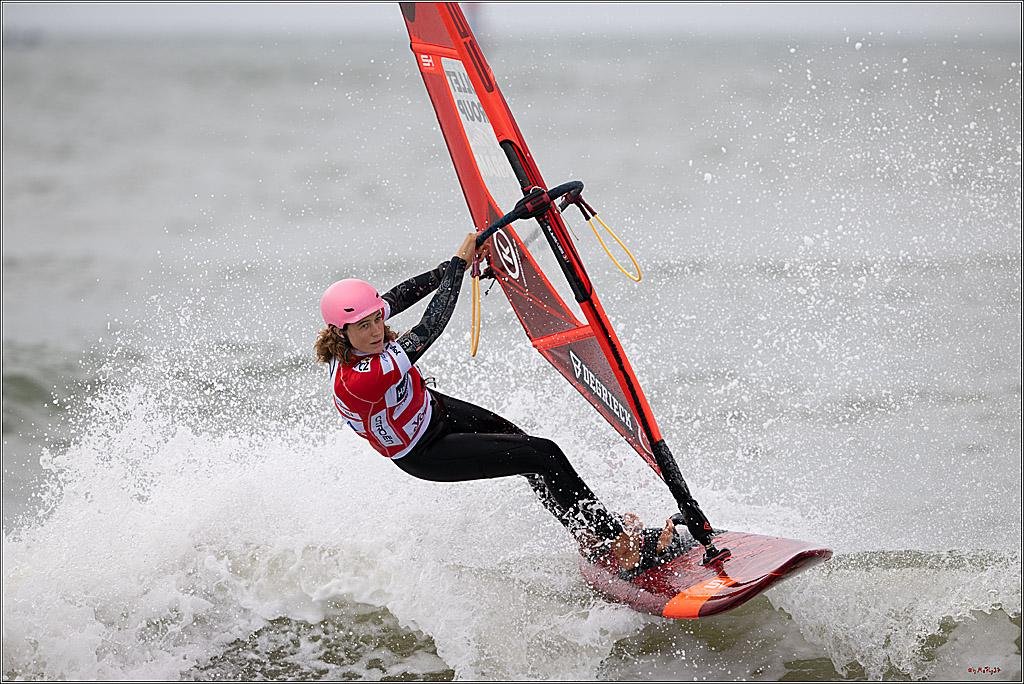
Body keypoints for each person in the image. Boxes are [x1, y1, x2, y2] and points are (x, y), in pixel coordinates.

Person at [314, 232, 674, 571]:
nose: (377, 331)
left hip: (430, 409)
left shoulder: (359, 331)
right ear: (339, 332)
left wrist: (452, 267)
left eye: (377, 319)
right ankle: (616, 541)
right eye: (364, 326)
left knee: (526, 449)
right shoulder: (360, 380)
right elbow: (430, 327)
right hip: (424, 450)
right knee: (543, 453)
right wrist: (459, 264)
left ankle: (588, 535)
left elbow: (402, 295)